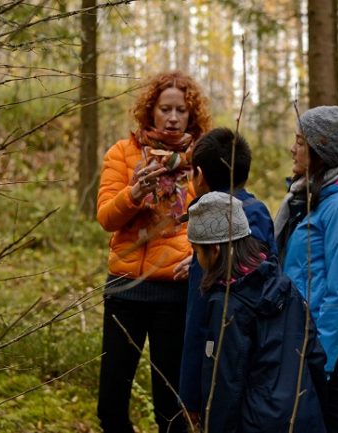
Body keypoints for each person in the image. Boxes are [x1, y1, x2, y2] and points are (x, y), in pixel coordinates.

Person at [96, 70, 211, 433]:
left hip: (174, 292)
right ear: (151, 111)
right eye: (165, 109)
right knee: (110, 404)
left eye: (181, 110)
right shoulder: (123, 153)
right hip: (125, 288)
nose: (173, 118)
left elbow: (217, 217)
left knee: (170, 407)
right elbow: (106, 218)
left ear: (192, 115)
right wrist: (133, 193)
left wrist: (201, 257)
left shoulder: (202, 158)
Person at [187, 191, 326, 433]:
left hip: (256, 423)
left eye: (197, 251)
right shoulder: (283, 283)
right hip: (302, 413)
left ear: (216, 250)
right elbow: (314, 354)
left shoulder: (227, 305)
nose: (197, 259)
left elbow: (224, 385)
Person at [275, 106, 338, 433]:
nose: (293, 148)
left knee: (330, 423)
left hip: (328, 345)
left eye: (300, 142)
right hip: (307, 336)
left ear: (321, 151)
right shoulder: (312, 198)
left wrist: (322, 362)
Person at [177, 127, 277, 425]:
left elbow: (199, 315)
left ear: (199, 176)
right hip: (265, 359)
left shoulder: (211, 226)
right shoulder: (258, 212)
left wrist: (190, 395)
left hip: (221, 362)